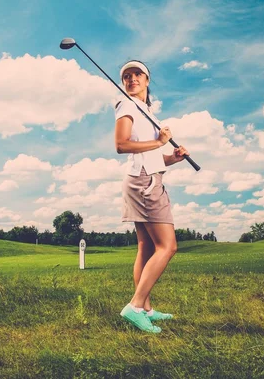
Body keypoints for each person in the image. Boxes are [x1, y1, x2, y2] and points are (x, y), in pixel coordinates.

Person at [114, 60, 189, 334]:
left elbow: (153, 156)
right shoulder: (127, 105)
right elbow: (122, 145)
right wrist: (158, 142)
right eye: (126, 76)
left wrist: (172, 157)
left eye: (137, 74)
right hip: (144, 182)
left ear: (147, 80)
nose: (131, 79)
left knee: (146, 247)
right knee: (167, 247)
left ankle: (145, 309)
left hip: (144, 177)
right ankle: (134, 307)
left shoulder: (147, 112)